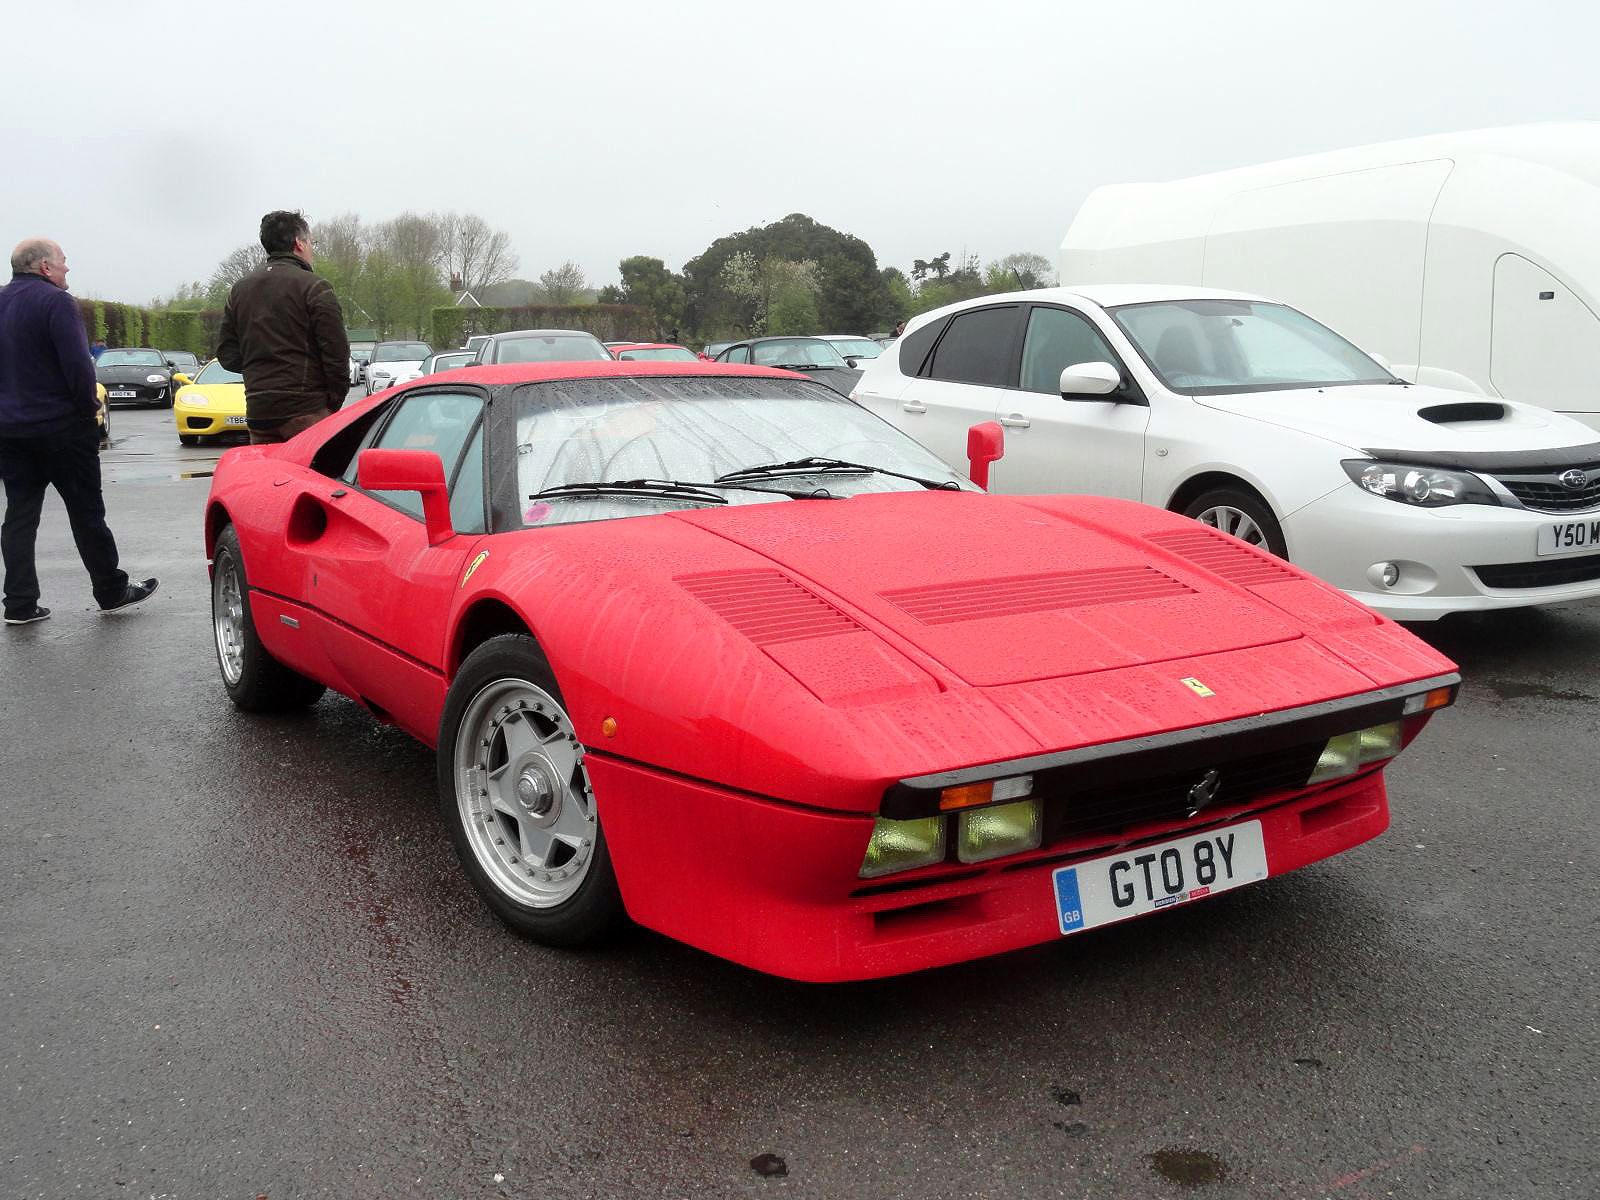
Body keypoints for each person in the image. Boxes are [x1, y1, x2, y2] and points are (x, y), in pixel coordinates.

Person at [0, 238, 157, 625]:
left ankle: (19, 603)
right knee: (86, 511)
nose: (67, 268)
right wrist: (88, 408)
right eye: (63, 262)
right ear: (44, 267)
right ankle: (110, 589)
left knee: (19, 515)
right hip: (61, 428)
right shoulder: (56, 302)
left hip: (10, 430)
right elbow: (78, 365)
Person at [216, 210, 349, 445]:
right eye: (311, 242)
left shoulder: (239, 291)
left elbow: (227, 355)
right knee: (311, 479)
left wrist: (260, 372)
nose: (311, 248)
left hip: (259, 412)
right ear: (299, 243)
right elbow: (337, 354)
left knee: (269, 480)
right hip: (307, 411)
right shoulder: (315, 287)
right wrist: (331, 405)